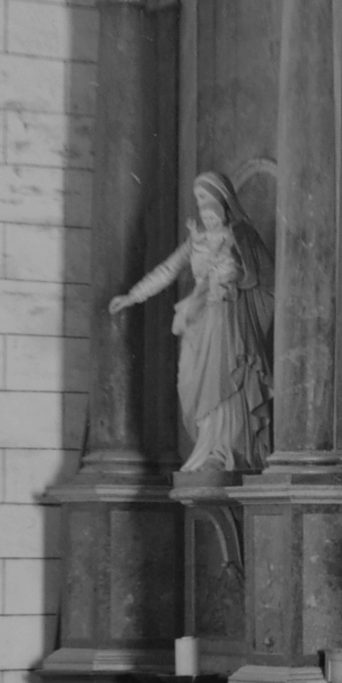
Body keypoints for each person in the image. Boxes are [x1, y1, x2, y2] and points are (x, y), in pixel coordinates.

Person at [111, 170, 273, 473]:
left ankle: (228, 449)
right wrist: (132, 296)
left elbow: (267, 278)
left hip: (230, 321)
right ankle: (209, 447)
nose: (201, 208)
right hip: (199, 320)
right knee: (193, 382)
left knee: (227, 379)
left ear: (222, 200)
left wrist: (236, 276)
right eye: (198, 202)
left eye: (205, 198)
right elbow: (167, 270)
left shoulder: (242, 236)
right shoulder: (196, 242)